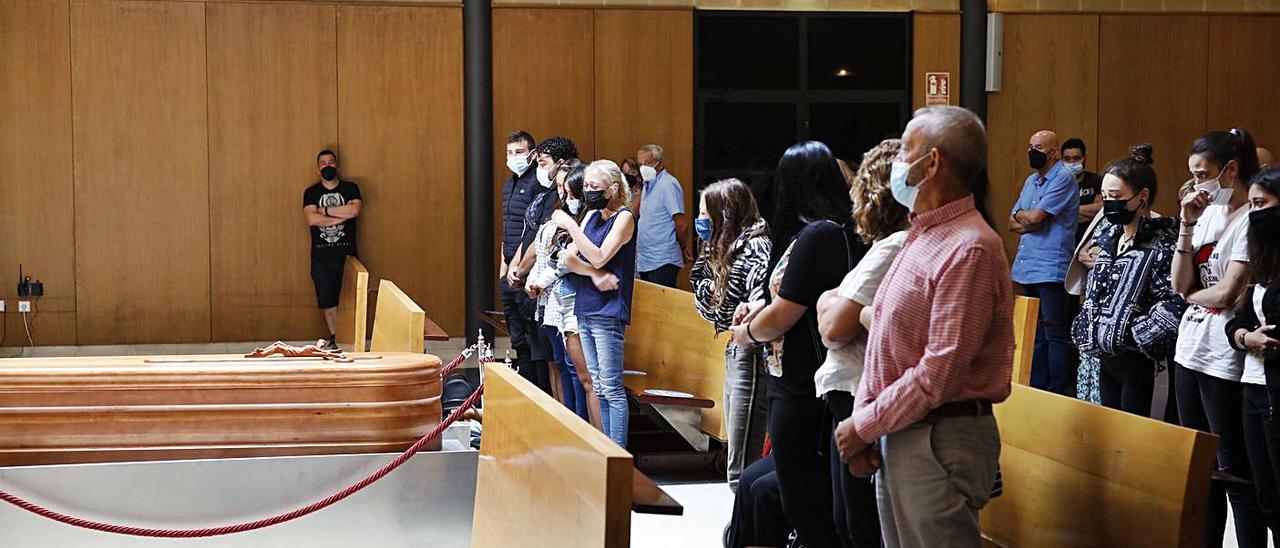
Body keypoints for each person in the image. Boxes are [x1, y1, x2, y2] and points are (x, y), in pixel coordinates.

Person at [834, 106, 1012, 547]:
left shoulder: (969, 248)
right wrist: (870, 423)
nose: (896, 163)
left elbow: (940, 372)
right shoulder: (923, 235)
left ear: (931, 163)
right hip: (905, 430)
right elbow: (889, 345)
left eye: (905, 152)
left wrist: (865, 423)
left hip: (939, 437)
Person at [728, 140, 867, 548]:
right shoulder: (823, 232)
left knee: (808, 509)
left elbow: (787, 311)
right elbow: (788, 297)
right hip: (798, 379)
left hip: (804, 385)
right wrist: (756, 309)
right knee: (799, 499)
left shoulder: (820, 233)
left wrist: (747, 334)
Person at [1173, 128, 1264, 547]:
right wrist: (1186, 226)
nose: (1196, 185)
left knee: (1234, 470)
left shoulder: (1252, 219)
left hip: (1223, 355)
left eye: (1202, 174)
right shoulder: (1205, 211)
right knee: (1198, 468)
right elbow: (1179, 283)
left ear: (1230, 169)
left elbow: (1228, 292)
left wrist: (1192, 293)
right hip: (1189, 347)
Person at [815, 138, 907, 548]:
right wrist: (832, 301)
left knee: (861, 525)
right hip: (852, 393)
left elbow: (834, 328)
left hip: (861, 395)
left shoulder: (894, 245)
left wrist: (830, 300)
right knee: (850, 518)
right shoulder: (884, 247)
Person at [1071, 149, 1185, 417]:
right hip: (1106, 358)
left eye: (1117, 197)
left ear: (1142, 196)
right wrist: (1088, 327)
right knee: (1112, 429)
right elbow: (1094, 294)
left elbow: (1176, 297)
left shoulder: (1164, 243)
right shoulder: (1109, 240)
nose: (1110, 203)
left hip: (1141, 362)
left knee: (1139, 435)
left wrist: (1135, 333)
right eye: (1106, 197)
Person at [690, 178, 772, 492]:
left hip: (752, 353)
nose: (701, 222)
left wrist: (711, 295)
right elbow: (713, 308)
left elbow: (732, 309)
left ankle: (746, 531)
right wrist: (708, 292)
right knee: (736, 457)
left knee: (742, 460)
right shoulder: (722, 248)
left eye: (705, 215)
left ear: (725, 214)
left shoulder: (753, 247)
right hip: (735, 347)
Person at [555, 160, 637, 448]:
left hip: (609, 308)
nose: (588, 192)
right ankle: (606, 448)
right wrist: (593, 273)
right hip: (586, 304)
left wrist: (569, 226)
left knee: (612, 387)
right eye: (586, 186)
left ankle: (619, 451)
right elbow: (568, 258)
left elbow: (599, 254)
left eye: (594, 187)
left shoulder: (624, 217)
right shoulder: (591, 217)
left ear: (613, 188)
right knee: (599, 386)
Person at [1226, 168, 1280, 538]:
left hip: (1276, 388)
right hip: (1252, 388)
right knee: (1266, 498)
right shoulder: (1264, 258)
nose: (1253, 214)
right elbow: (1235, 320)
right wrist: (1246, 338)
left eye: (1260, 204)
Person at [1009, 129, 1080, 395]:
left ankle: (1057, 391)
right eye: (1030, 146)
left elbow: (1036, 217)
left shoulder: (1063, 177)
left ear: (1053, 152)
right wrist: (1025, 217)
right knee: (1034, 334)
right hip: (1027, 268)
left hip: (1051, 268)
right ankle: (1036, 388)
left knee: (1054, 334)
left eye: (1038, 147)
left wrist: (1026, 217)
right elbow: (1011, 221)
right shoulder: (1031, 181)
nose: (1032, 152)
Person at [509, 137, 580, 395]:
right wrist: (514, 264)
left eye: (543, 162)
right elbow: (531, 235)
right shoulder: (546, 194)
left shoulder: (563, 203)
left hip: (555, 292)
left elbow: (552, 249)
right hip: (538, 289)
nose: (540, 168)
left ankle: (573, 423)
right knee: (553, 363)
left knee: (567, 368)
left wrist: (524, 270)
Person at [525, 159, 590, 419]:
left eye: (568, 188)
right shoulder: (555, 217)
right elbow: (544, 256)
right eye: (561, 188)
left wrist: (541, 281)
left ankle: (578, 422)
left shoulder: (582, 220)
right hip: (550, 304)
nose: (564, 194)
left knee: (577, 372)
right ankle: (566, 419)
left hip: (570, 301)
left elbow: (564, 261)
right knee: (561, 365)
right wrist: (531, 278)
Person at [499, 131, 552, 391]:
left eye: (519, 152)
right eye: (509, 153)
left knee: (534, 339)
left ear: (532, 154)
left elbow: (530, 231)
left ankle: (540, 393)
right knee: (517, 338)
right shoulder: (509, 184)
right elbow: (507, 228)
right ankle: (526, 391)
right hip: (508, 269)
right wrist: (503, 270)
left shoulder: (537, 184)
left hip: (526, 270)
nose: (513, 157)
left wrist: (519, 268)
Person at [301, 149, 362, 349]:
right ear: (318, 168)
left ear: (337, 165)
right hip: (321, 256)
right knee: (327, 300)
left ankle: (352, 342)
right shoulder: (311, 192)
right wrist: (342, 215)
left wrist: (324, 211)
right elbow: (311, 219)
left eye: (331, 161)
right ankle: (335, 339)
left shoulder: (350, 188)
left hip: (348, 256)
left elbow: (355, 210)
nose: (328, 165)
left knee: (351, 301)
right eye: (323, 163)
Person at [636, 144, 690, 287]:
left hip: (663, 258)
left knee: (663, 306)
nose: (643, 168)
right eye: (640, 164)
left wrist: (683, 247)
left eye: (647, 163)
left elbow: (681, 224)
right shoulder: (647, 185)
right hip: (646, 259)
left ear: (660, 163)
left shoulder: (668, 184)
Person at [1062, 138, 1104, 243]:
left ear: (1084, 158)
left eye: (1076, 158)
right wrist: (1092, 214)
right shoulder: (1057, 185)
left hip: (1091, 240)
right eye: (1067, 159)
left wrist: (1067, 209)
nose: (1072, 162)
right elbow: (1058, 218)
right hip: (1064, 241)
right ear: (1061, 160)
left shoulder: (1096, 180)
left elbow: (1103, 210)